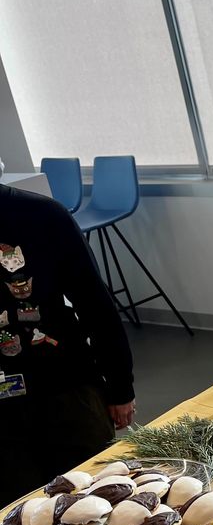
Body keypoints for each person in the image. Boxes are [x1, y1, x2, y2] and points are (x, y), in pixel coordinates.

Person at [0, 176, 135, 506]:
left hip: (66, 385)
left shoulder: (41, 214)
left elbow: (95, 305)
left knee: (98, 498)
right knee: (20, 515)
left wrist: (120, 387)